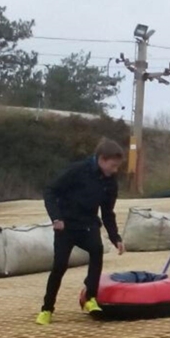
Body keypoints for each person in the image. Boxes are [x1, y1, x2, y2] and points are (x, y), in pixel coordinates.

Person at [36, 139, 126, 325]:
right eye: (113, 166)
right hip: (66, 225)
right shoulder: (77, 171)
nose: (115, 170)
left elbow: (108, 212)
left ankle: (90, 297)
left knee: (97, 250)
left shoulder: (110, 182)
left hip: (88, 224)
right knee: (59, 266)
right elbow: (50, 191)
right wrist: (56, 218)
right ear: (102, 159)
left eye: (117, 167)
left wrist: (115, 237)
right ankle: (47, 309)